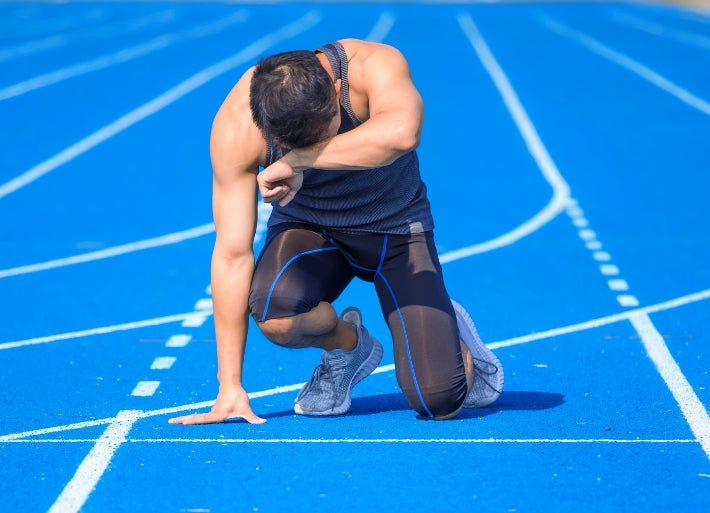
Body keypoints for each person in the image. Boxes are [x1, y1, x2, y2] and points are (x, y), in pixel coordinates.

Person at [169, 39, 503, 426]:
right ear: (264, 123)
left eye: (322, 133)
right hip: (311, 229)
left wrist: (299, 159)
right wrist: (229, 386)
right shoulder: (238, 125)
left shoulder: (372, 64)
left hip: (396, 231)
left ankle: (451, 332)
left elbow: (402, 133)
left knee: (438, 402)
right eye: (292, 144)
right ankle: (350, 348)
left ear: (336, 93)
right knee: (275, 317)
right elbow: (231, 254)